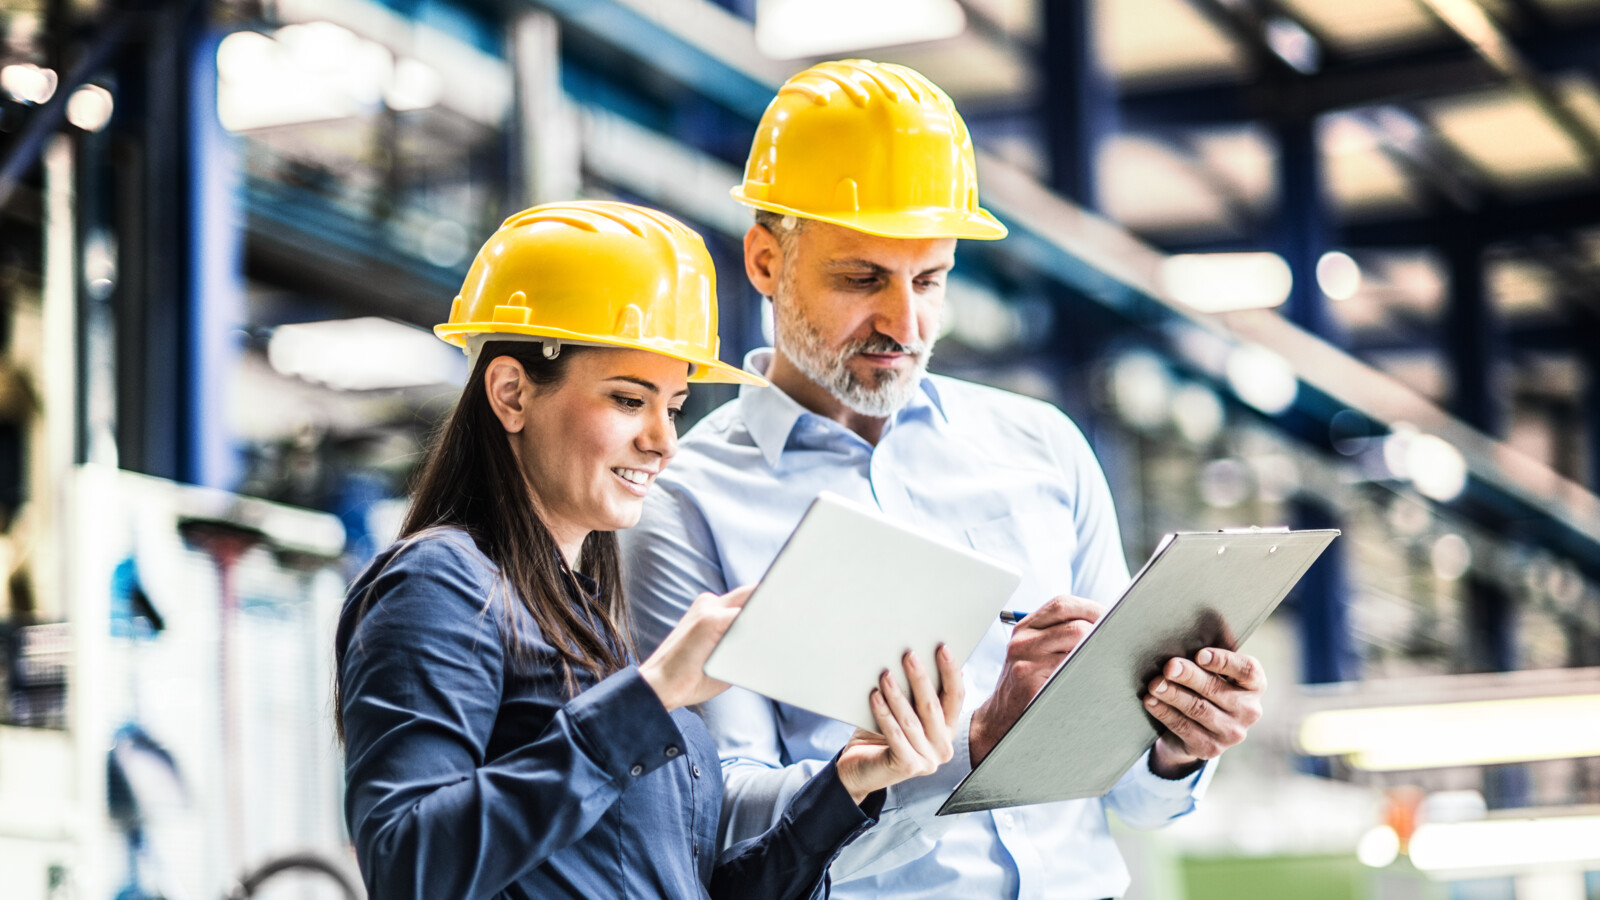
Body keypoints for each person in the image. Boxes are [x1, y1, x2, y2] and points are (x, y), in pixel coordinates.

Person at [621, 60, 1268, 899]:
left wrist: (1178, 738)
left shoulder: (1044, 450)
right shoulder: (684, 504)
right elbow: (724, 824)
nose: (904, 321)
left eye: (929, 280)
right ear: (765, 261)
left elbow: (1138, 798)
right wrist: (974, 742)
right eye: (862, 279)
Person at [334, 200, 965, 900]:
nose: (664, 441)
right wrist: (654, 692)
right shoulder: (440, 585)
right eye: (630, 401)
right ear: (511, 393)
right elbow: (406, 864)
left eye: (675, 407)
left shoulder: (591, 631)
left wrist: (844, 788)